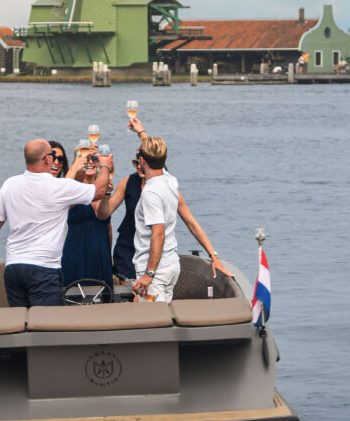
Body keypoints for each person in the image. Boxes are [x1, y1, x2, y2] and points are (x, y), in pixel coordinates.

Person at [0, 139, 113, 307]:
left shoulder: (10, 184)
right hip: (44, 269)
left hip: (14, 268)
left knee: (20, 319)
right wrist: (105, 166)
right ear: (47, 159)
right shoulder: (58, 186)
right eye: (53, 155)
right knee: (46, 320)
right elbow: (99, 191)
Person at [105, 116, 230, 282]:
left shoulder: (166, 185)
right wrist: (102, 187)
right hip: (128, 252)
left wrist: (213, 256)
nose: (139, 166)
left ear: (146, 162)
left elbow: (191, 224)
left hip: (156, 259)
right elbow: (105, 212)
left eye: (141, 161)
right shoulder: (129, 182)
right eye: (136, 163)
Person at [130, 137, 180, 302]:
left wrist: (149, 274)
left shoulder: (150, 192)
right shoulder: (170, 180)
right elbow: (156, 157)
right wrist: (141, 133)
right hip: (171, 265)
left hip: (155, 271)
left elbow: (158, 233)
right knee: (166, 315)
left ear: (142, 161)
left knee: (153, 317)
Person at [61, 152, 113, 289]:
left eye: (94, 159)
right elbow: (67, 200)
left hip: (100, 254)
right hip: (77, 253)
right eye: (86, 159)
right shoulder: (73, 190)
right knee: (74, 295)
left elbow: (107, 225)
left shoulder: (101, 189)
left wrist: (108, 255)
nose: (90, 162)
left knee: (105, 296)